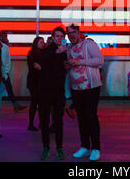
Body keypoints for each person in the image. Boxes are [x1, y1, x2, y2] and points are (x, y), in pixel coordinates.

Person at [66, 24, 104, 161]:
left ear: (79, 32)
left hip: (91, 87)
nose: (71, 35)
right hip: (76, 88)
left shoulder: (88, 44)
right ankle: (85, 146)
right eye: (69, 33)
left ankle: (96, 148)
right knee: (81, 118)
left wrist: (80, 61)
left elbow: (100, 61)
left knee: (91, 116)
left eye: (74, 32)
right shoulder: (69, 48)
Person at [38, 27, 68, 160]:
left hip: (58, 91)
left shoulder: (65, 51)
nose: (60, 39)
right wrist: (57, 51)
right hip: (45, 91)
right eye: (57, 36)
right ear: (53, 37)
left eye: (62, 36)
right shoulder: (48, 50)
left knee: (58, 121)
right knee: (44, 120)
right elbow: (45, 60)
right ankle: (46, 147)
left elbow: (65, 67)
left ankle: (59, 148)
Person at [0, 31, 27, 112]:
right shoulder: (2, 46)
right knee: (7, 88)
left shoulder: (3, 46)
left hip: (2, 71)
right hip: (1, 71)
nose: (6, 38)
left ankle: (15, 105)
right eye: (4, 36)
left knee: (7, 88)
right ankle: (15, 105)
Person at [27, 36, 45, 131]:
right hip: (34, 81)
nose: (43, 44)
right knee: (35, 102)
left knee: (40, 103)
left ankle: (40, 123)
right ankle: (32, 124)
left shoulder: (43, 53)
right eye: (41, 42)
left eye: (43, 42)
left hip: (39, 81)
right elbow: (35, 65)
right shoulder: (32, 53)